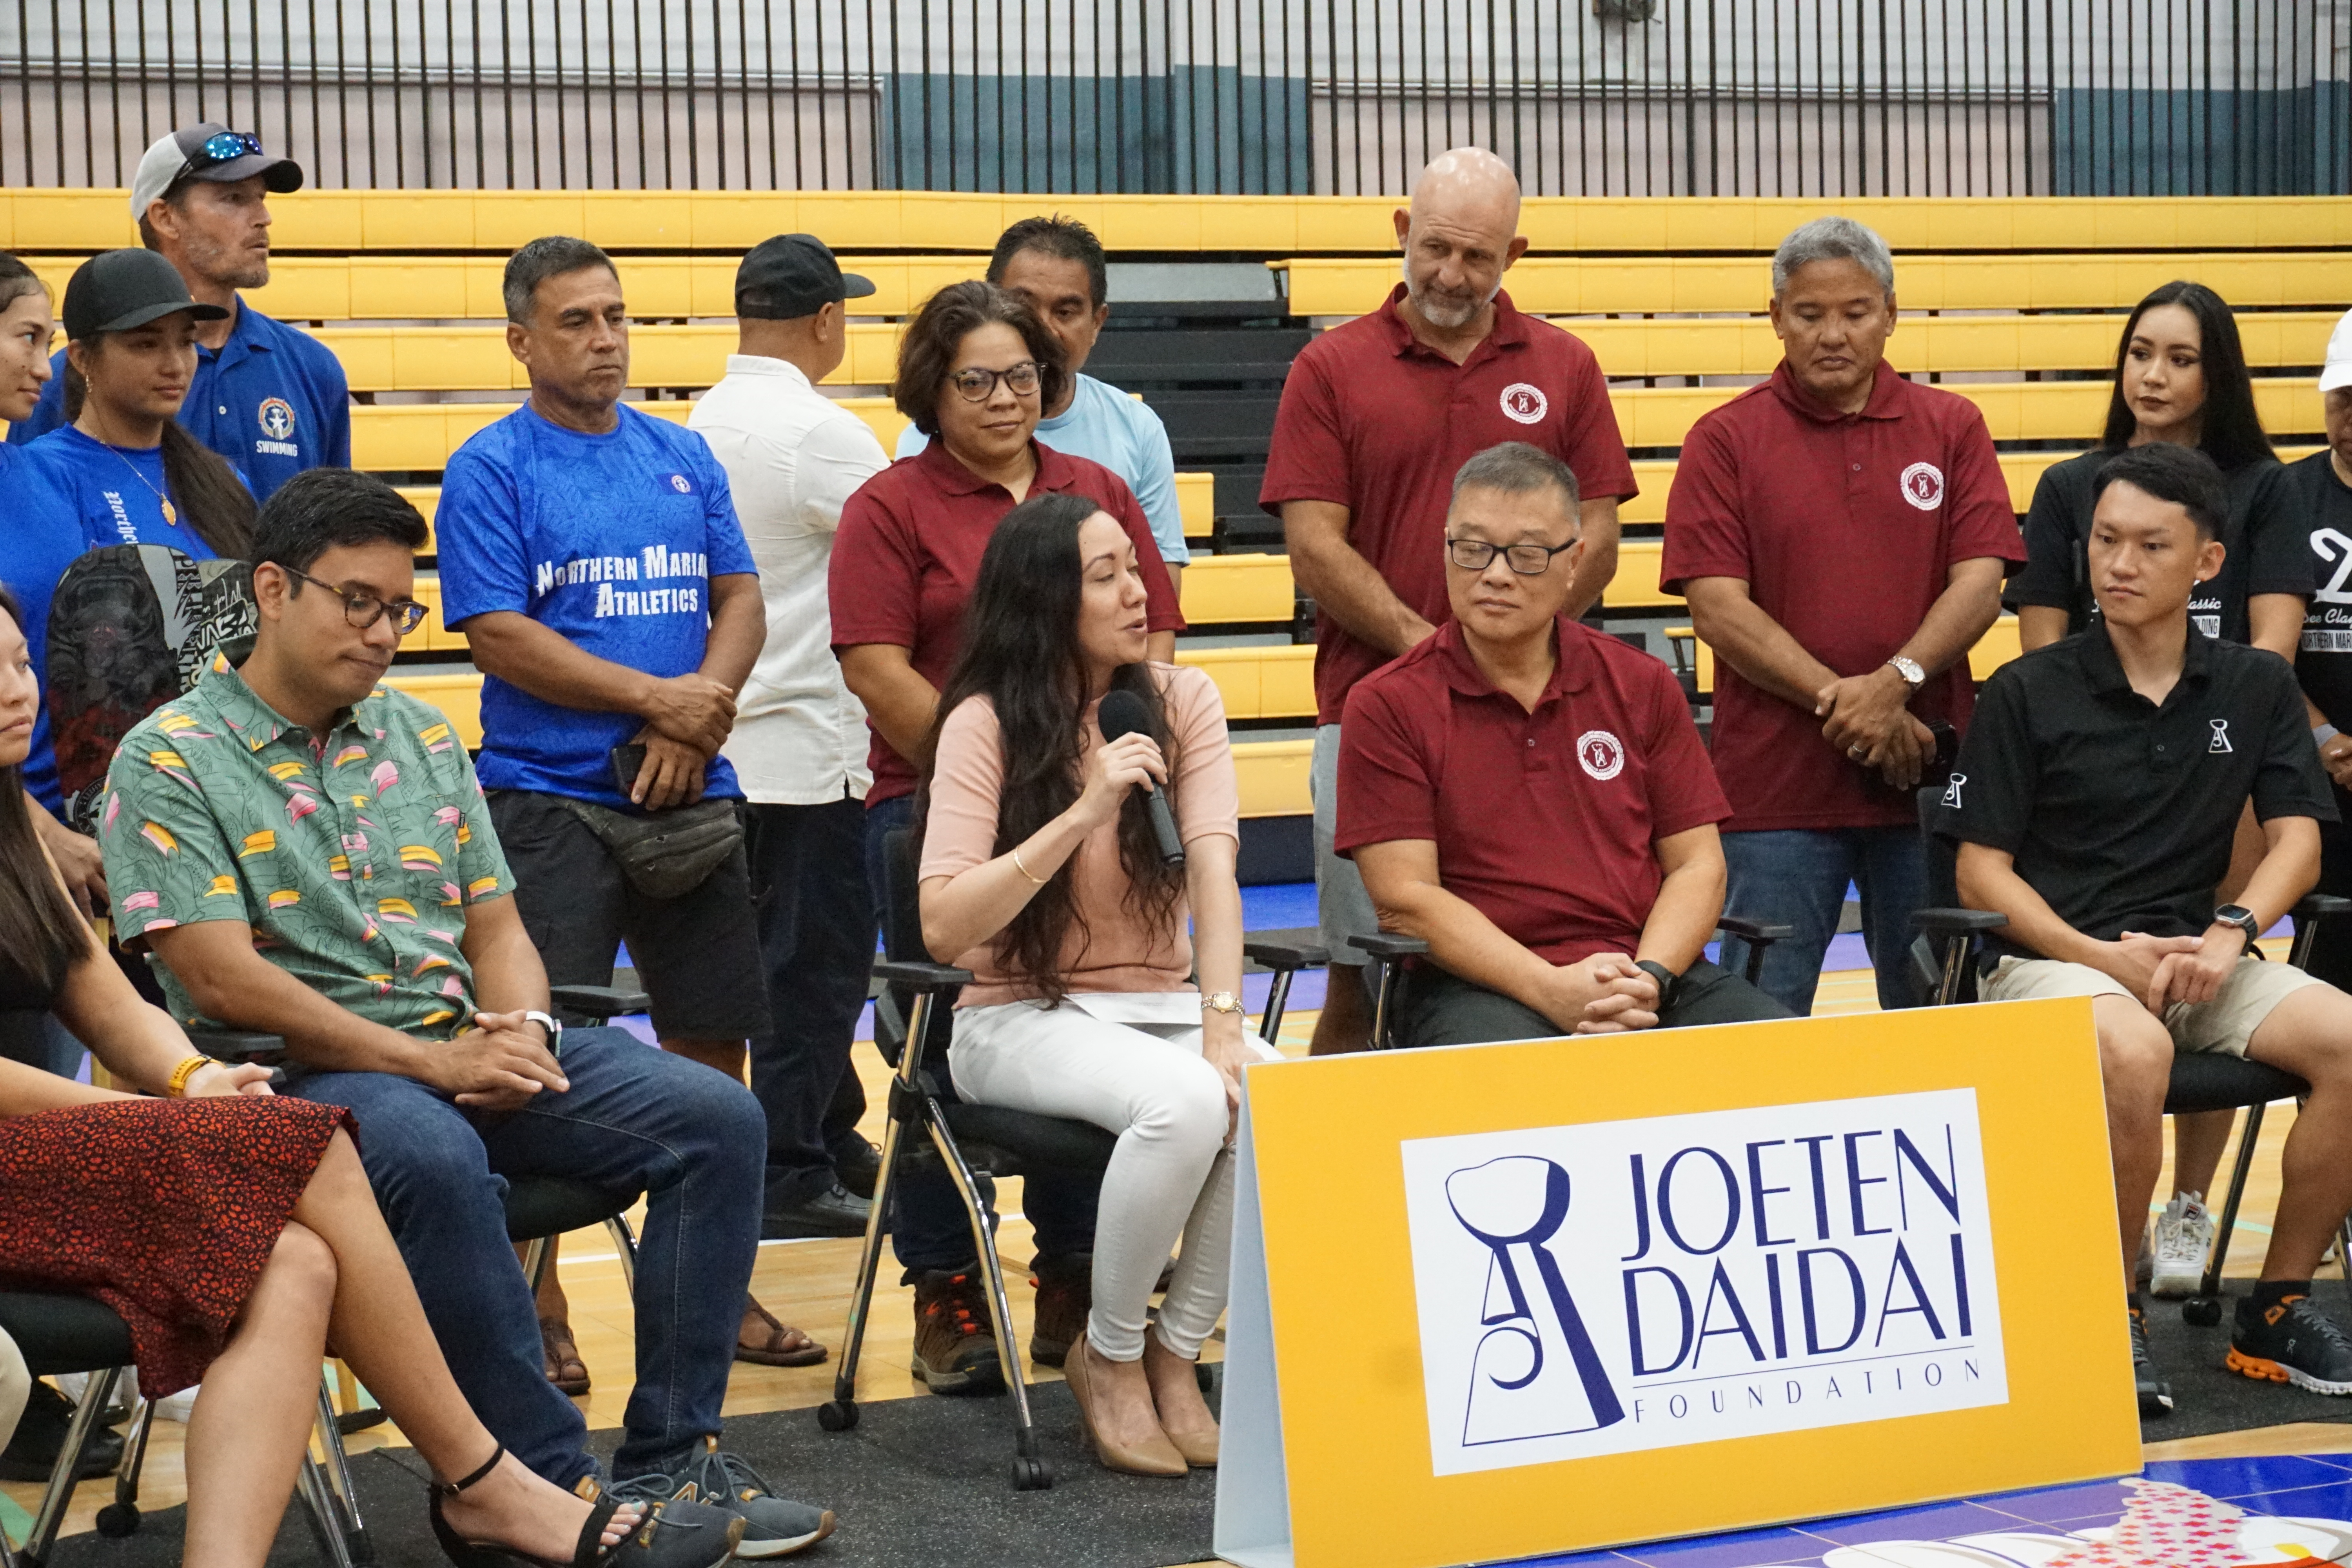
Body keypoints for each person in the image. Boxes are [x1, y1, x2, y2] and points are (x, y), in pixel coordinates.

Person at [100, 468, 833, 1555]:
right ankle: (537, 1489)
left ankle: (674, 1462)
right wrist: (433, 1065)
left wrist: (522, 1033)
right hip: (292, 1081)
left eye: (401, 609)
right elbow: (220, 982)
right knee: (437, 1154)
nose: (383, 633)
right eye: (358, 601)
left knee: (718, 1117)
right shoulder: (168, 757)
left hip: (455, 1049)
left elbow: (497, 931)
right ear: (272, 589)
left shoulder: (424, 736)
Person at [0, 582, 677, 1568]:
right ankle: (485, 1478)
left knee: (299, 1264)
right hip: (29, 1154)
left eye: (20, 663)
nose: (17, 690)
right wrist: (145, 1115)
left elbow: (104, 1000)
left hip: (46, 1159)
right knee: (306, 1144)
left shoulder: (11, 829)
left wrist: (190, 1077)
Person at [434, 235, 824, 1377]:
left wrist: (693, 721)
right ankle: (537, 1297)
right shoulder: (491, 467)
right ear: (522, 341)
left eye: (615, 316)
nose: (605, 339)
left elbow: (740, 595)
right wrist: (660, 700)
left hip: (690, 785)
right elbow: (499, 634)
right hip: (547, 794)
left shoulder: (681, 453)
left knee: (713, 1041)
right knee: (540, 1045)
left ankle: (716, 1282)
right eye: (576, 321)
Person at [1942, 441, 2352, 1419]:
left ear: (2208, 562)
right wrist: (2098, 958)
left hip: (2200, 955)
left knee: (2348, 1037)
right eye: (2105, 541)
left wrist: (2232, 930)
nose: (2119, 564)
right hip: (2050, 961)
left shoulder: (2254, 684)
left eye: (2150, 545)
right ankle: (2109, 1304)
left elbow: (2298, 840)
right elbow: (1979, 871)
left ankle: (2277, 1304)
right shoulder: (2027, 688)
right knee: (2134, 1048)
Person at [831, 279, 1183, 1394]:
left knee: (1095, 1021)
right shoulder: (891, 506)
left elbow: (1153, 634)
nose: (1002, 397)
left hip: (1097, 802)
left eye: (1021, 375)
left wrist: (1107, 759)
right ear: (932, 390)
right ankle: (945, 1282)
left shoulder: (1095, 489)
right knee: (934, 1046)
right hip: (935, 803)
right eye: (975, 379)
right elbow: (875, 665)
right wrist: (998, 774)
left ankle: (1076, 1271)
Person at [1259, 147, 1637, 1056]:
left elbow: (1599, 536)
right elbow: (1314, 546)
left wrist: (1513, 650)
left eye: (1477, 256)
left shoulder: (1567, 365)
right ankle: (1340, 1152)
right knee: (1362, 974)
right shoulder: (1330, 367)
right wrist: (1441, 655)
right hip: (1372, 716)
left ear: (1516, 254)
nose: (1451, 274)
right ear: (1402, 231)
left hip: (1536, 721)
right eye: (1435, 248)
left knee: (1544, 957)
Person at [917, 491, 1264, 1475]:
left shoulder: (1182, 699)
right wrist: (1083, 809)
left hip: (1157, 1001)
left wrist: (1224, 1023)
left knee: (1270, 1092)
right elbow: (945, 925)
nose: (1136, 592)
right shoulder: (983, 722)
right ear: (1044, 599)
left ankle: (1174, 1352)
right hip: (1013, 1011)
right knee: (1186, 1101)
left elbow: (1214, 871)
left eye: (1134, 568)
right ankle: (1106, 1354)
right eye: (1105, 575)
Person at [2010, 281, 2309, 1300]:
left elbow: (2272, 635)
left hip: (2221, 746)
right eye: (2141, 352)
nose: (2154, 374)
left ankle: (2203, 1219)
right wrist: (2086, 723)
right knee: (2131, 1021)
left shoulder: (2261, 487)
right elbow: (2044, 641)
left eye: (2181, 358)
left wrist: (2232, 730)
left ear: (2216, 375)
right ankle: (2110, 1272)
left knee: (2208, 965)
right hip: (2099, 747)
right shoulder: (2072, 485)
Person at [1664, 215, 2023, 1016]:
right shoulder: (1723, 440)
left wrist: (1894, 684)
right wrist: (1856, 705)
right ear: (1775, 317)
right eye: (1809, 313)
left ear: (1890, 314)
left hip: (1925, 782)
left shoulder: (1953, 427)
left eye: (1856, 312)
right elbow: (1717, 607)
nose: (1833, 334)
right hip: (1775, 794)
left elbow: (1981, 583)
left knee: (1936, 1016)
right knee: (1759, 1020)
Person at [1341, 443, 1792, 1045]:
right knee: (1526, 1078)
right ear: (1445, 546)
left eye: (1527, 555)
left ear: (1575, 561)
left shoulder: (1641, 683)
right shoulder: (1386, 703)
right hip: (1475, 987)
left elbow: (1697, 864)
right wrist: (1551, 989)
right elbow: (1406, 898)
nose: (1495, 574)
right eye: (1472, 549)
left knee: (1796, 1061)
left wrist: (1650, 978)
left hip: (1643, 972)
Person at [687, 235, 886, 1242]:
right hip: (812, 746)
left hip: (730, 740)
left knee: (768, 960)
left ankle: (826, 1127)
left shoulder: (696, 421)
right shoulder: (825, 433)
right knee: (817, 968)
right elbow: (908, 548)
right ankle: (792, 1167)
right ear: (826, 319)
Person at [12, 250, 256, 917]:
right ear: (82, 359)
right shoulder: (34, 476)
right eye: (146, 344)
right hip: (77, 828)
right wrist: (39, 827)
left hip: (216, 818)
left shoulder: (224, 483)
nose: (175, 363)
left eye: (186, 341)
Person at [8, 123, 350, 502]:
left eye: (261, 198)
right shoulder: (74, 376)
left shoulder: (314, 368)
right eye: (234, 199)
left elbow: (337, 526)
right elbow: (27, 513)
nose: (263, 217)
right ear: (165, 218)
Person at [895, 214, 1190, 592]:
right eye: (1023, 306)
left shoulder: (1138, 428)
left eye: (1065, 312)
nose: (1045, 328)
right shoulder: (930, 439)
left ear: (1098, 322)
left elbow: (1158, 592)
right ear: (989, 304)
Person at [2298, 310, 2352, 989]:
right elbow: (2261, 644)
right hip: (2319, 778)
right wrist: (2324, 738)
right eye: (2343, 398)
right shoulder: (2287, 496)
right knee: (2328, 980)